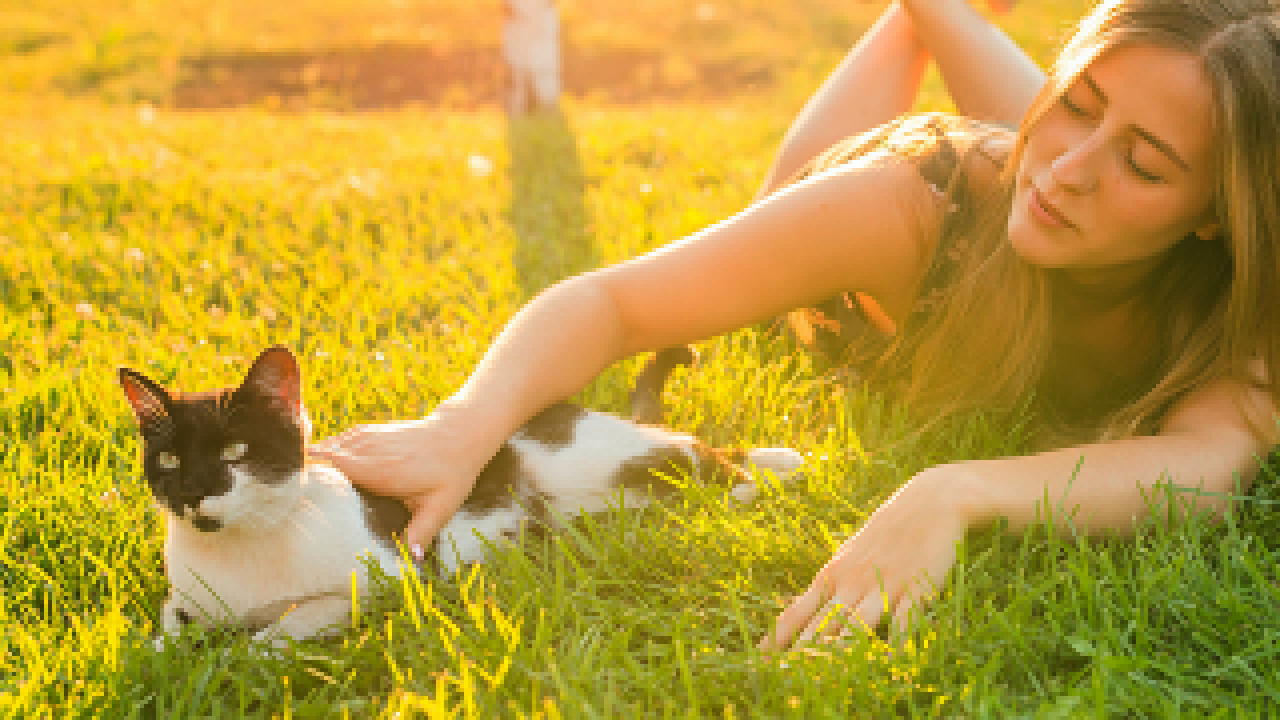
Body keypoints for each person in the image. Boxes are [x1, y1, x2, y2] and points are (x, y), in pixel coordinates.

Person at [311, 0, 1280, 650]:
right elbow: (610, 302)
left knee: (1044, 175)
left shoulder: (1236, 301)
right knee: (790, 200)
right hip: (910, 201)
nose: (1069, 165)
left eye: (1145, 165)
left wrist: (952, 493)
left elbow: (1204, 468)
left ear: (1215, 213)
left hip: (1038, 205)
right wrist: (460, 426)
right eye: (1070, 102)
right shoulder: (904, 210)